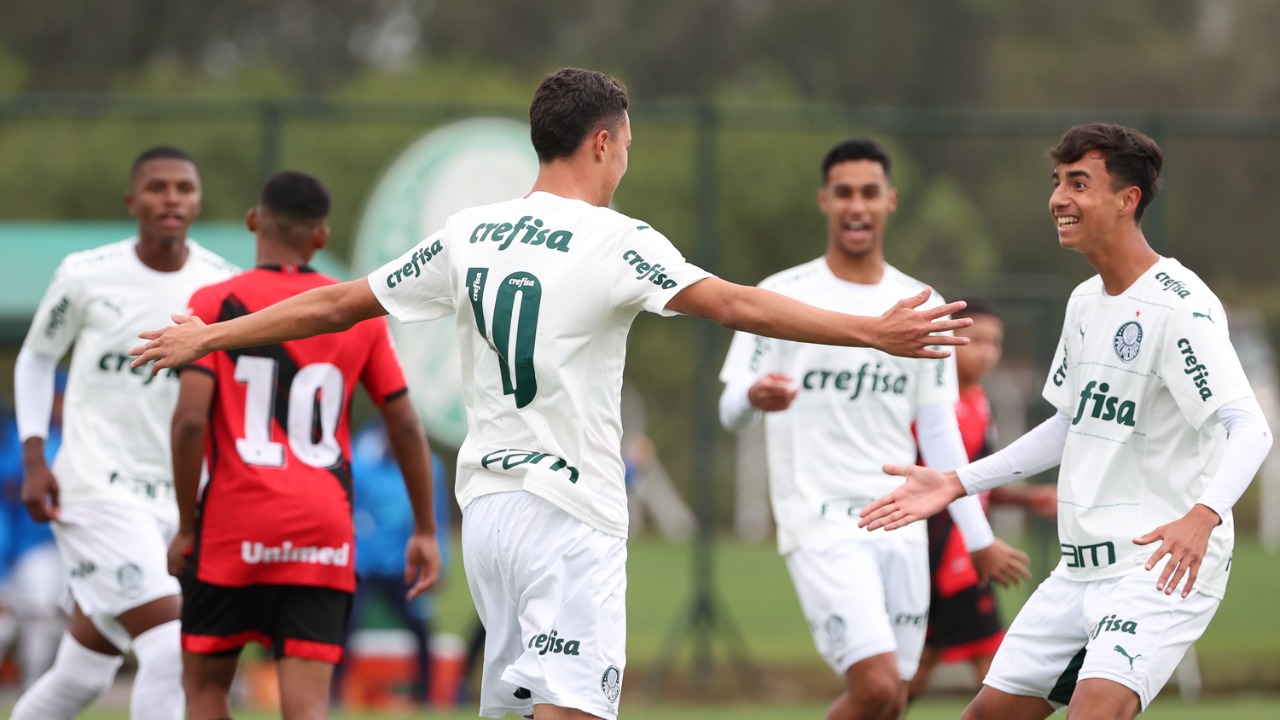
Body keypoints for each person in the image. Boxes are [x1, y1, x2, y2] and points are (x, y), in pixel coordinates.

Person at [129, 67, 976, 720]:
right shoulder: (615, 239)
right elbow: (732, 303)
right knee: (572, 708)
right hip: (570, 514)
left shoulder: (472, 232)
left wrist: (210, 335)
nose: (627, 162)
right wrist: (872, 331)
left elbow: (333, 300)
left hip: (488, 514)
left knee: (520, 706)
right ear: (603, 143)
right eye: (629, 145)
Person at [859, 123, 1273, 720]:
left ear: (1128, 200)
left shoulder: (1179, 304)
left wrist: (1202, 517)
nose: (1059, 198)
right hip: (1077, 573)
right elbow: (1069, 425)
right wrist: (956, 481)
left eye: (1080, 183)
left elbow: (1250, 426)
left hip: (1155, 569)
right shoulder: (1085, 302)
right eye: (1057, 182)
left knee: (1096, 711)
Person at [718, 138, 1030, 720]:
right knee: (878, 686)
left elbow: (940, 437)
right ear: (824, 202)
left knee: (893, 702)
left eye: (868, 193)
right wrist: (754, 396)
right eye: (843, 193)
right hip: (820, 520)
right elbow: (730, 406)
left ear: (890, 201)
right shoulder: (782, 296)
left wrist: (977, 537)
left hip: (900, 524)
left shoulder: (920, 304)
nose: (855, 205)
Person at [166, 171, 440, 720]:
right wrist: (427, 529)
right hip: (321, 530)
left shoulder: (214, 301)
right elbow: (405, 425)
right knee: (308, 706)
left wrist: (187, 525)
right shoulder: (354, 313)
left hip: (232, 524)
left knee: (205, 690)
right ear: (321, 236)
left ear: (253, 222)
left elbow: (191, 421)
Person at [10, 145, 238, 720]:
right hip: (95, 488)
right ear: (132, 200)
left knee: (82, 675)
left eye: (183, 188)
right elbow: (37, 359)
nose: (171, 198)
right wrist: (35, 456)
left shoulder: (220, 285)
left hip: (180, 498)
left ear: (198, 200)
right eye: (157, 187)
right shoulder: (86, 275)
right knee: (170, 649)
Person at [907, 299, 1057, 702]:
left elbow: (971, 483)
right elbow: (934, 486)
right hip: (945, 554)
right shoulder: (935, 408)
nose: (988, 352)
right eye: (976, 341)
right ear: (948, 342)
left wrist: (1029, 499)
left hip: (959, 550)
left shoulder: (978, 402)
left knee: (916, 667)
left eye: (996, 342)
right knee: (997, 665)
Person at [331, 417, 452, 708]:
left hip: (404, 563)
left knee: (420, 630)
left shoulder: (428, 467)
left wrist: (440, 561)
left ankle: (424, 697)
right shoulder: (362, 460)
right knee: (345, 626)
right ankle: (332, 694)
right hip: (365, 564)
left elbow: (438, 517)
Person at [1, 371, 72, 689]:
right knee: (25, 616)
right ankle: (34, 685)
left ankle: (39, 686)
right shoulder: (27, 437)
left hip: (69, 542)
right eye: (57, 397)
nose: (61, 404)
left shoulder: (78, 433)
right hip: (30, 542)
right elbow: (12, 485)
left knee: (56, 618)